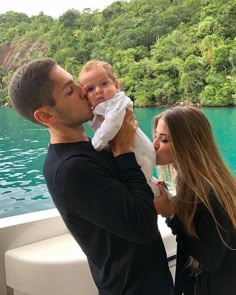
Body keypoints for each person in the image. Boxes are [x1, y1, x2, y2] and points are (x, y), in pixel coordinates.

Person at [8, 58, 174, 295]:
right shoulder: (69, 169)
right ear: (45, 115)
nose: (83, 92)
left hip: (152, 279)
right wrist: (124, 151)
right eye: (70, 90)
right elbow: (142, 225)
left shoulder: (92, 146)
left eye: (75, 83)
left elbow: (129, 196)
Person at [153, 106, 236, 295]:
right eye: (156, 136)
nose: (155, 144)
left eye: (164, 139)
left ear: (188, 145)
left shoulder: (211, 193)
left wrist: (171, 214)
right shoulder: (191, 183)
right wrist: (173, 203)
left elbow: (211, 260)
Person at [78, 60, 160, 196]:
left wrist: (95, 144)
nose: (98, 91)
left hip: (141, 152)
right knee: (147, 183)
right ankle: (164, 198)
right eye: (90, 89)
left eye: (104, 84)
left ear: (116, 85)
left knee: (141, 185)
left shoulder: (117, 102)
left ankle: (164, 203)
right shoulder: (98, 109)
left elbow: (112, 124)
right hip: (131, 152)